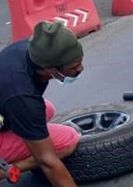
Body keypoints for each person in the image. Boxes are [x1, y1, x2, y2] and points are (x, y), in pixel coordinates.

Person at [0, 21, 83, 186]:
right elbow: (47, 161)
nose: (81, 68)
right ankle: (6, 170)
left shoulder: (32, 50)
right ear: (49, 69)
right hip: (12, 105)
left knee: (47, 109)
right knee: (68, 140)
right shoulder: (22, 96)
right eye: (74, 66)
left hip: (5, 110)